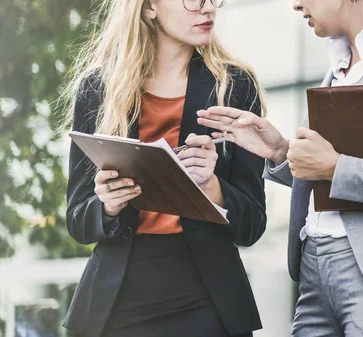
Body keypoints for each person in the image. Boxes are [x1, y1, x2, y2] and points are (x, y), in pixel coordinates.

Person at [197, 0, 363, 336]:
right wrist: (281, 152)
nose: (296, 4)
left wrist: (337, 169)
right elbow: (328, 170)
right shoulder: (339, 68)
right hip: (314, 277)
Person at [59, 0, 267, 336]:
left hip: (208, 297)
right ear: (149, 8)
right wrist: (108, 206)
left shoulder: (234, 86)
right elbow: (78, 221)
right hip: (117, 299)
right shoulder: (99, 88)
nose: (209, 8)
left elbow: (253, 225)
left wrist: (211, 186)